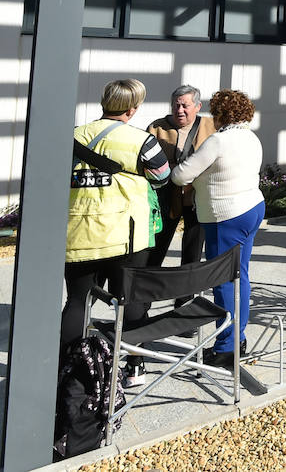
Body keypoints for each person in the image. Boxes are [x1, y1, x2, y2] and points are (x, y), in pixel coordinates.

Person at [62, 79, 171, 388]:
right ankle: (135, 366)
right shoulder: (141, 141)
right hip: (127, 236)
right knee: (131, 301)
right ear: (133, 109)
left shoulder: (72, 136)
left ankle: (67, 368)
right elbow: (163, 177)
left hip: (79, 234)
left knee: (78, 302)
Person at [171, 90, 264, 368]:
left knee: (223, 280)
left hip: (225, 217)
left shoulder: (218, 140)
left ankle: (226, 348)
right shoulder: (251, 137)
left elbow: (179, 175)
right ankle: (238, 338)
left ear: (221, 114)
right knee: (241, 275)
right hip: (252, 208)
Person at [146, 84, 216, 267]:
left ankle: (186, 294)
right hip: (167, 197)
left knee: (193, 249)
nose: (180, 110)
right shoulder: (157, 128)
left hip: (197, 198)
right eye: (176, 105)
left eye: (185, 106)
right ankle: (148, 288)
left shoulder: (211, 126)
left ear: (198, 107)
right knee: (157, 245)